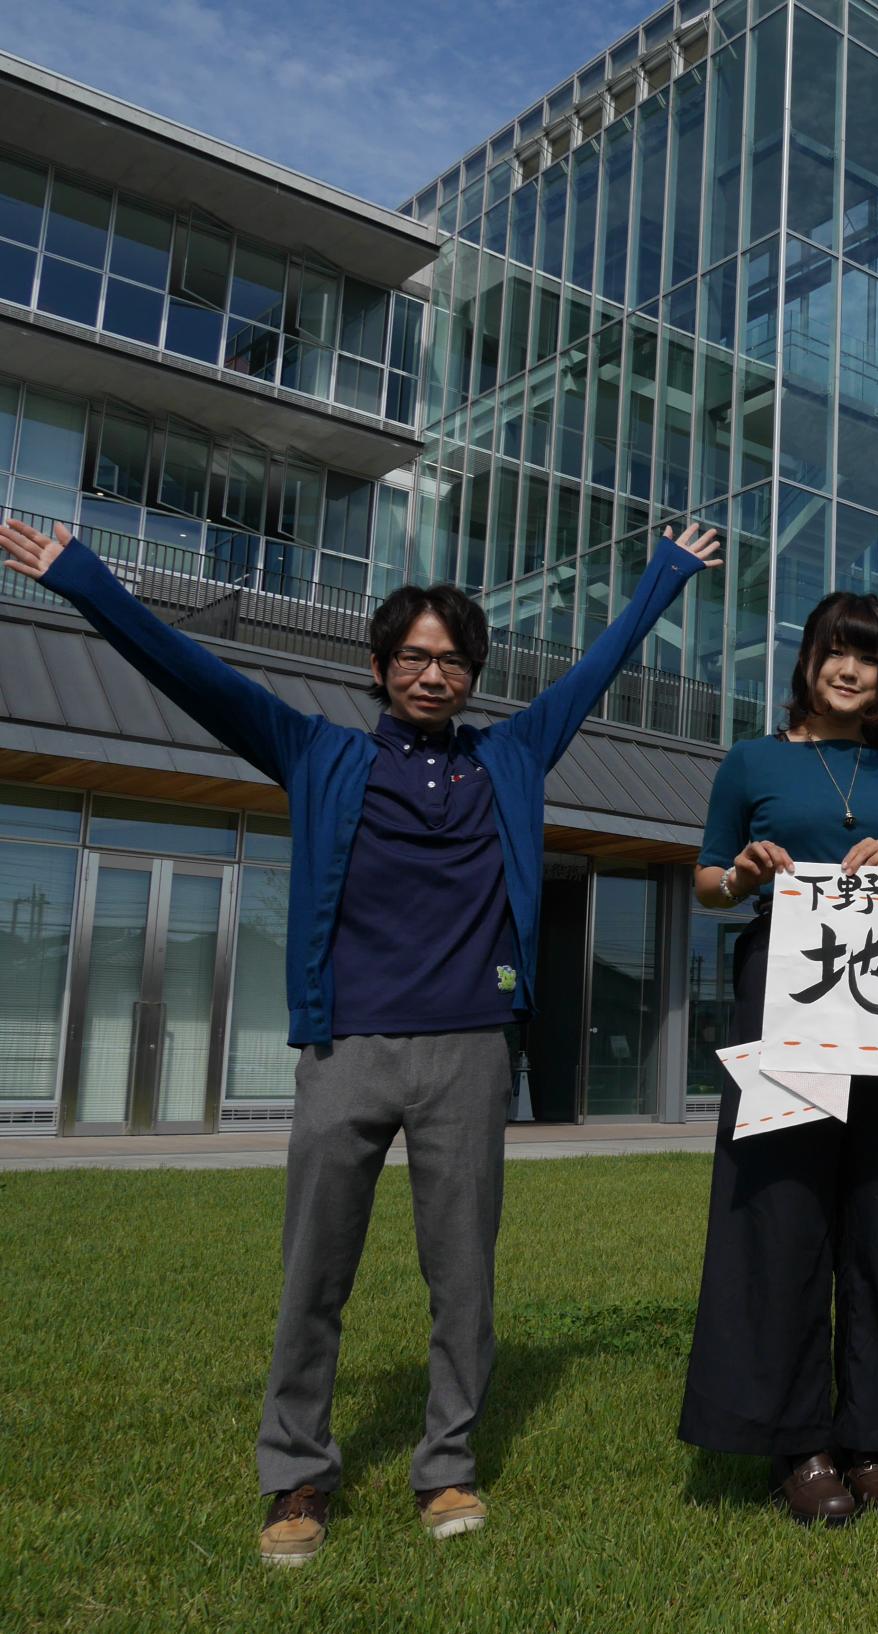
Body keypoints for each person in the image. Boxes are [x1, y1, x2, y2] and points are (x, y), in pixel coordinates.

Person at [0, 514, 720, 1564]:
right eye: (415, 656)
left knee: (463, 1277)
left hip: (470, 1050)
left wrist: (665, 575)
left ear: (472, 672)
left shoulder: (511, 758)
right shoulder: (320, 753)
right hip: (347, 1049)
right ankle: (295, 1476)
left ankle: (448, 1467)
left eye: (453, 657)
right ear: (382, 668)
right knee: (315, 1271)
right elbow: (193, 673)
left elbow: (591, 673)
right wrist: (81, 578)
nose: (434, 673)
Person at [681, 590, 878, 1526]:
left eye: (870, 658)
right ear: (807, 662)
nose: (851, 671)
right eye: (837, 653)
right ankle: (796, 1443)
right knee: (782, 1212)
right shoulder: (751, 760)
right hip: (786, 995)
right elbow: (709, 879)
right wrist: (744, 874)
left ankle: (872, 1436)